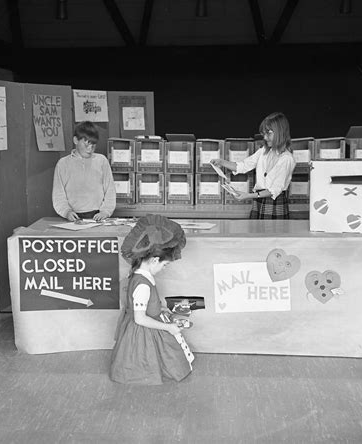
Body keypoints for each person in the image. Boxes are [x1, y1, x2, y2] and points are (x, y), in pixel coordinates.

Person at [110, 214, 194, 385]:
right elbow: (140, 318)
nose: (164, 269)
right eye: (164, 265)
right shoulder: (143, 285)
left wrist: (160, 310)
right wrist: (168, 327)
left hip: (146, 325)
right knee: (156, 361)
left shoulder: (140, 275)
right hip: (143, 332)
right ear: (155, 260)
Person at [211, 112, 296, 219]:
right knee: (256, 233)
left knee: (274, 234)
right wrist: (221, 162)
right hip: (259, 199)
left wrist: (248, 195)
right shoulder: (264, 151)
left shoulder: (287, 159)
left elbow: (273, 190)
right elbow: (243, 166)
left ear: (280, 132)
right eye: (264, 134)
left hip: (274, 202)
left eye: (268, 133)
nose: (265, 137)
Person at [52, 121, 116, 221]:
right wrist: (66, 212)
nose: (90, 149)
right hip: (73, 217)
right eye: (86, 145)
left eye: (93, 145)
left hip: (98, 216)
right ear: (75, 140)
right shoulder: (63, 164)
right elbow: (58, 195)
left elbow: (110, 190)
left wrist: (106, 211)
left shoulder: (101, 161)